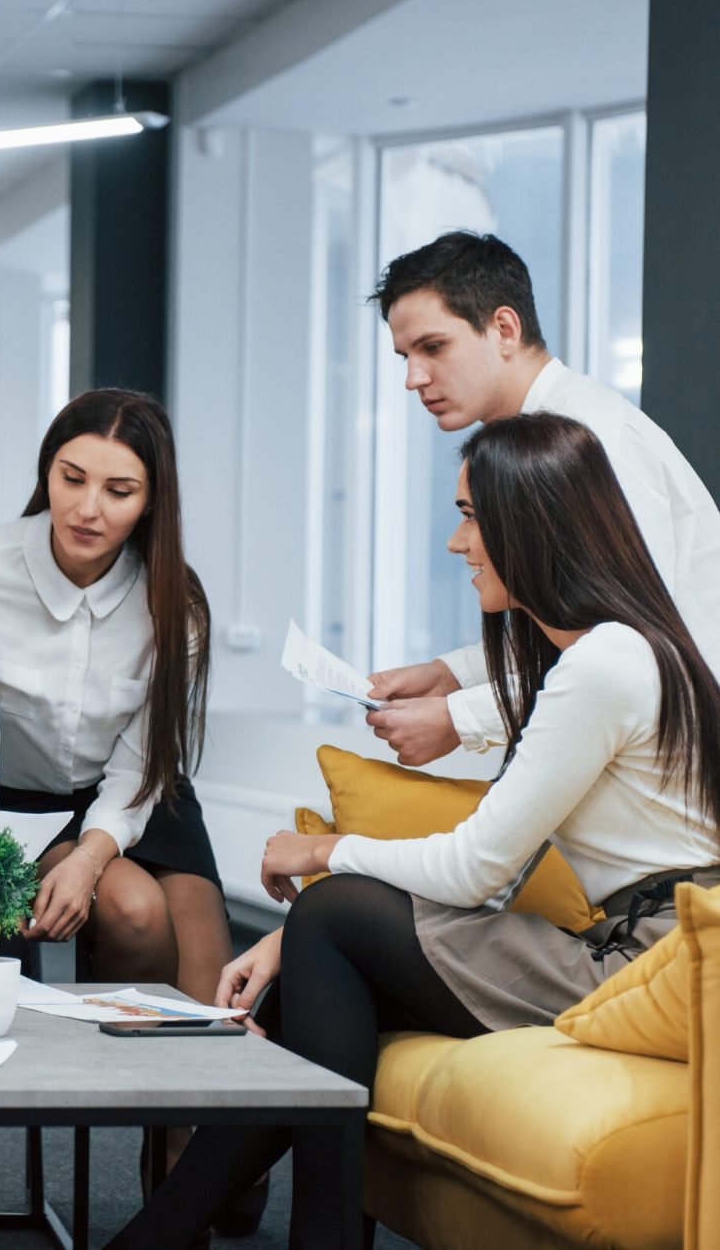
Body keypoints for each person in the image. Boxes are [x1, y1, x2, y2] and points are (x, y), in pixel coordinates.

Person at [103, 412, 720, 1248]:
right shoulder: (592, 657)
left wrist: (320, 854)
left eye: (471, 514)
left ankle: (208, 1233)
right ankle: (169, 1233)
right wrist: (291, 940)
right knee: (321, 951)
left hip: (651, 962)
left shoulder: (605, 665)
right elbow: (499, 869)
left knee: (333, 913)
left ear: (530, 522)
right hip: (635, 947)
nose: (456, 542)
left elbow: (476, 869)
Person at [0, 388, 241, 1208]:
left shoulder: (173, 599)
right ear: (46, 470)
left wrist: (93, 848)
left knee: (204, 1010)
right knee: (133, 913)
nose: (87, 508)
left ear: (152, 500)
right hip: (9, 790)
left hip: (138, 785)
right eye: (70, 477)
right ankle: (161, 1147)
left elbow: (141, 760)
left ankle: (186, 1165)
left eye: (119, 491)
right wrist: (57, 854)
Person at [363, 231, 720, 767]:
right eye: (404, 355)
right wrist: (454, 673)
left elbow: (640, 646)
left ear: (504, 328)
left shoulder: (590, 439)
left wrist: (464, 719)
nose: (414, 378)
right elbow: (582, 617)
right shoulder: (538, 441)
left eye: (433, 347)